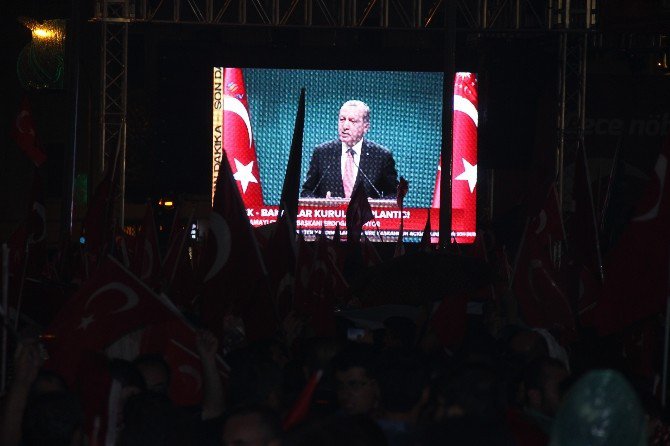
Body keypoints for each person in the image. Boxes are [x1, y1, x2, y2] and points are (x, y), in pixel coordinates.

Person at [301, 100, 398, 199]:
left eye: (352, 121)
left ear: (366, 127)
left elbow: (394, 195)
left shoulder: (381, 156)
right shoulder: (322, 153)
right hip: (331, 214)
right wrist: (323, 204)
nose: (345, 126)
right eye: (342, 119)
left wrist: (375, 205)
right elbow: (307, 192)